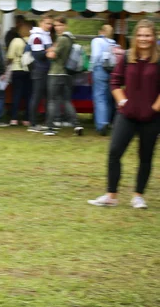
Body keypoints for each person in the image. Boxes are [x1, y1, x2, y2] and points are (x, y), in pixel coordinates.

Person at [88, 19, 160, 210]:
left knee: (145, 157)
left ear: (153, 37)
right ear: (135, 37)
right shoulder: (127, 56)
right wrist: (121, 101)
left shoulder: (158, 59)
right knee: (114, 152)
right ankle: (111, 195)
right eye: (140, 35)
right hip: (127, 115)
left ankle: (138, 196)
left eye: (147, 35)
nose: (143, 39)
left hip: (151, 118)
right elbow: (115, 81)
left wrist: (155, 108)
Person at [45, 16, 83, 136]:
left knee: (51, 100)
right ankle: (77, 125)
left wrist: (49, 51)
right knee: (66, 101)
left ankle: (50, 128)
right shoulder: (71, 38)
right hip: (67, 74)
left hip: (56, 73)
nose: (57, 28)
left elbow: (52, 55)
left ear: (65, 25)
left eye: (60, 25)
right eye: (55, 25)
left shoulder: (62, 39)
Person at [27, 14, 54, 133]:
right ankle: (33, 123)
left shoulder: (45, 35)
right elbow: (38, 54)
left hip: (44, 69)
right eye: (47, 23)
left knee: (46, 97)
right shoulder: (37, 36)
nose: (50, 26)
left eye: (51, 23)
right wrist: (49, 51)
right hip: (39, 69)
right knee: (37, 96)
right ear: (41, 23)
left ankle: (45, 122)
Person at [90, 24, 118, 135]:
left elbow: (96, 55)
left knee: (100, 97)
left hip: (100, 69)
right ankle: (110, 121)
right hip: (112, 71)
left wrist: (91, 68)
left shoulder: (97, 41)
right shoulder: (114, 44)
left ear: (101, 31)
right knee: (109, 98)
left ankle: (102, 124)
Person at [7, 20, 32, 126]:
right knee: (28, 95)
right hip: (29, 70)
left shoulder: (15, 41)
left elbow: (10, 56)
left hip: (17, 69)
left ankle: (14, 118)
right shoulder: (33, 41)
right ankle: (27, 119)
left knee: (16, 94)